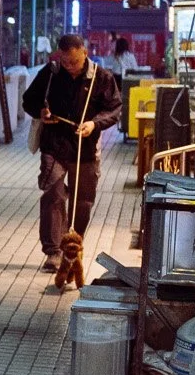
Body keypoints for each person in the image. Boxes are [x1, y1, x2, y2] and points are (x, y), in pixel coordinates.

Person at [20, 33, 123, 270]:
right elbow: (29, 100)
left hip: (85, 148)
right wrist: (42, 112)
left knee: (82, 200)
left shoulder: (102, 77)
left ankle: (72, 246)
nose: (70, 67)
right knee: (53, 194)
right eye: (65, 62)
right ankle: (53, 250)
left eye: (74, 62)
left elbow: (114, 109)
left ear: (84, 53)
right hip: (54, 145)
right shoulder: (52, 72)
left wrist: (94, 124)